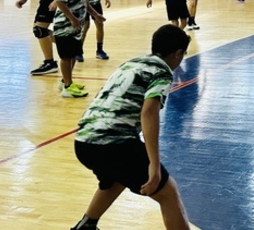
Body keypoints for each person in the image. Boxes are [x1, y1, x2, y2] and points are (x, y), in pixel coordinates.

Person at [71, 24, 191, 230]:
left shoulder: (131, 63)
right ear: (178, 54)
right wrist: (154, 165)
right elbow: (149, 113)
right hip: (112, 143)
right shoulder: (162, 71)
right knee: (169, 193)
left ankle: (86, 226)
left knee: (118, 176)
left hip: (83, 141)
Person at [52, 0, 103, 98]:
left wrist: (96, 14)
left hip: (75, 26)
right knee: (66, 56)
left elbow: (85, 2)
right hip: (64, 26)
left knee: (74, 54)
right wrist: (73, 19)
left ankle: (66, 81)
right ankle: (67, 87)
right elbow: (60, 2)